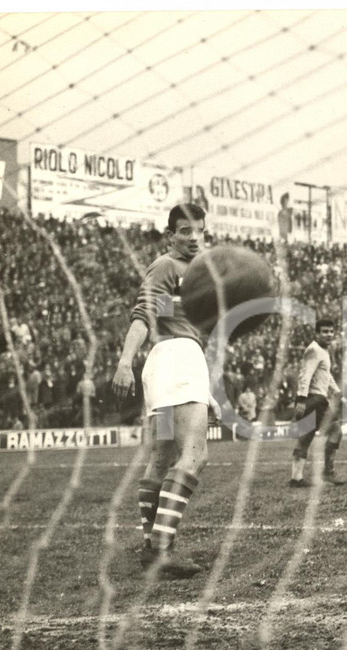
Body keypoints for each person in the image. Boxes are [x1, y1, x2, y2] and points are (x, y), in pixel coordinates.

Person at [111, 202, 214, 579]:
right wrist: (124, 361)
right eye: (184, 231)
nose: (193, 238)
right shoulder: (167, 265)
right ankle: (162, 551)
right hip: (177, 365)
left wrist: (207, 390)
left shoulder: (196, 272)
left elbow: (181, 326)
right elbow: (144, 313)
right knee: (195, 455)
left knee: (161, 457)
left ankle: (149, 545)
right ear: (170, 235)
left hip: (168, 371)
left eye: (198, 230)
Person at [289, 318, 347, 487]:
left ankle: (296, 478)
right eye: (325, 331)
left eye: (331, 331)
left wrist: (337, 393)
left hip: (314, 399)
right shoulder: (314, 350)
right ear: (317, 333)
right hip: (314, 399)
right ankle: (327, 473)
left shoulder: (322, 351)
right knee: (336, 430)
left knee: (306, 438)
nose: (329, 334)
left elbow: (326, 376)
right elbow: (304, 375)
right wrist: (301, 399)